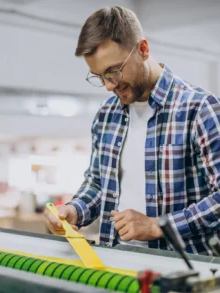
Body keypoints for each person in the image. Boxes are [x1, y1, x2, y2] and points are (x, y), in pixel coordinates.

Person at [44, 6, 220, 255]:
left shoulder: (199, 109)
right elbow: (98, 184)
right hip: (116, 265)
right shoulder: (107, 115)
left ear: (143, 49)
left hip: (183, 273)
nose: (108, 86)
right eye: (99, 76)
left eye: (114, 71)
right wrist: (74, 210)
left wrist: (160, 226)